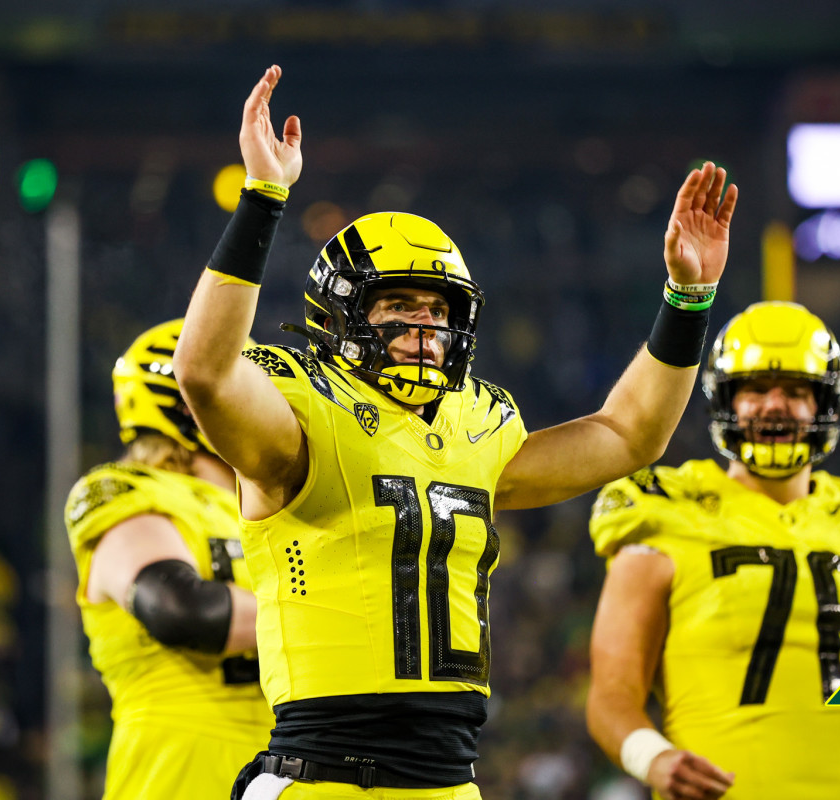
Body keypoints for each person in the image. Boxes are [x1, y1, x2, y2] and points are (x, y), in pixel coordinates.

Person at [172, 64, 737, 800]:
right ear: (342, 316)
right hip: (324, 778)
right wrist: (262, 197)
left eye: (439, 311)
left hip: (449, 783)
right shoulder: (301, 413)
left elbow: (629, 437)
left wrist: (687, 300)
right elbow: (204, 374)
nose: (425, 327)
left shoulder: (477, 425)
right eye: (399, 305)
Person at [586, 301, 840, 800]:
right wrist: (652, 758)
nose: (774, 404)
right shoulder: (666, 511)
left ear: (823, 404)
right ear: (727, 401)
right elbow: (611, 695)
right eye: (755, 389)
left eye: (796, 391)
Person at [63, 319, 272, 799]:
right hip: (180, 767)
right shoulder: (129, 489)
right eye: (247, 385)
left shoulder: (277, 509)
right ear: (190, 402)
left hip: (293, 765)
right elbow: (180, 609)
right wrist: (332, 619)